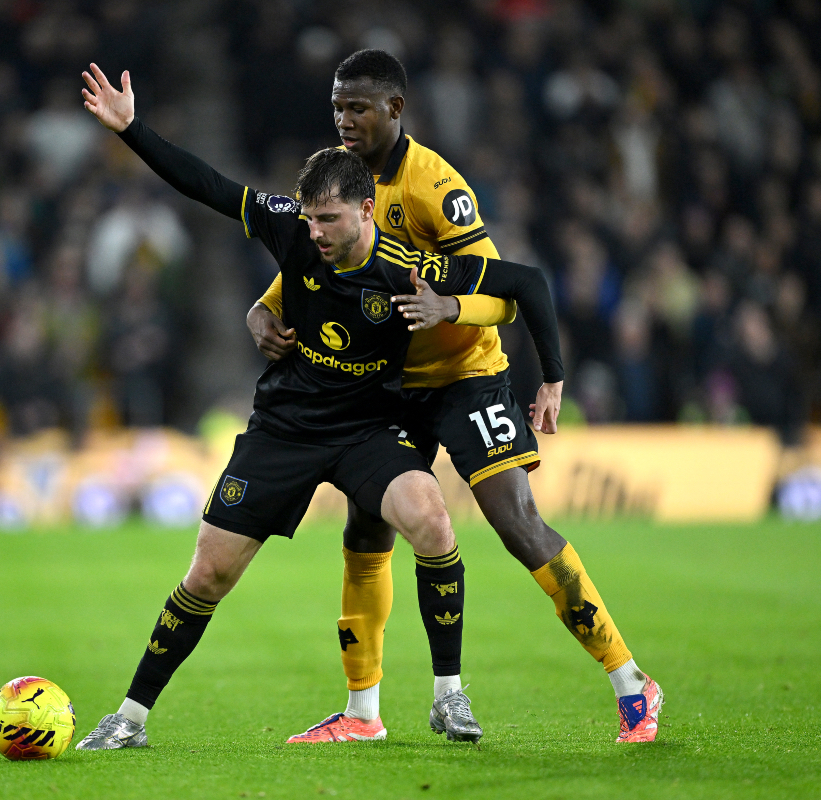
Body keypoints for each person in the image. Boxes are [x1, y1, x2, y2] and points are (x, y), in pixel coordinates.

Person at [74, 63, 563, 749]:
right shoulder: (292, 230)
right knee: (208, 573)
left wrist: (535, 365)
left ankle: (448, 698)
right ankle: (129, 719)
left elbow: (523, 283)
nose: (318, 233)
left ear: (366, 210)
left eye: (329, 219)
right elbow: (209, 186)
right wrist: (133, 130)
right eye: (310, 218)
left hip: (366, 431)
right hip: (286, 428)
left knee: (431, 520)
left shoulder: (404, 270)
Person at [247, 50, 662, 744]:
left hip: (467, 374)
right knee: (367, 530)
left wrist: (454, 314)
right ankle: (362, 714)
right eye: (338, 107)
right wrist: (263, 310)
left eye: (359, 108)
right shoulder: (338, 184)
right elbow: (312, 268)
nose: (345, 120)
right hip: (389, 385)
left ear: (395, 110)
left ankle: (632, 683)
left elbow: (506, 296)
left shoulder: (437, 187)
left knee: (516, 523)